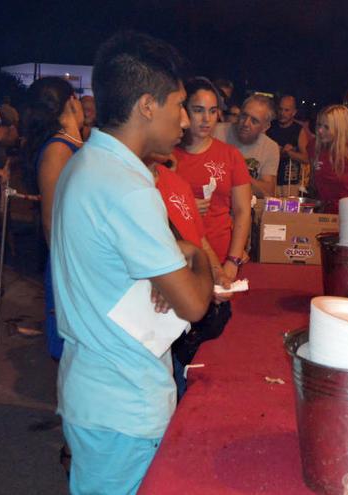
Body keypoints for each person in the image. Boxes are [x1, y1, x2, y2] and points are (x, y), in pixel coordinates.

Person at [50, 31, 213, 494]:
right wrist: (197, 254)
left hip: (95, 388)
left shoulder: (88, 165)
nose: (183, 120)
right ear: (147, 105)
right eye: (179, 105)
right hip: (124, 402)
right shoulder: (126, 187)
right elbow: (194, 303)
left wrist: (172, 268)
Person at [148, 150, 234, 399]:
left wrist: (217, 273)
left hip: (184, 305)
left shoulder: (176, 182)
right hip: (157, 314)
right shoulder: (131, 187)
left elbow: (198, 238)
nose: (183, 124)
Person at [22, 77, 85, 361]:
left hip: (80, 259)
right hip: (69, 263)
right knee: (71, 349)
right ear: (72, 100)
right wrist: (67, 274)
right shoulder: (58, 150)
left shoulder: (74, 144)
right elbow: (51, 220)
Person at [174, 77, 252, 289]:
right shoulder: (167, 156)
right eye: (198, 110)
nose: (206, 119)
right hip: (179, 259)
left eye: (213, 110)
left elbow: (243, 210)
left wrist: (233, 261)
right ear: (183, 111)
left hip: (223, 256)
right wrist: (183, 208)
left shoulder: (230, 155)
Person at [307, 104, 348, 213]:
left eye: (326, 127)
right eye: (319, 125)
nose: (320, 131)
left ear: (340, 129)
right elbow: (314, 180)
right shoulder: (314, 146)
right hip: (324, 211)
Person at [213, 94, 279, 197]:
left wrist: (238, 173)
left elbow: (268, 191)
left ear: (265, 127)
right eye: (244, 116)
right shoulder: (216, 132)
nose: (246, 123)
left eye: (254, 121)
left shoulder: (270, 147)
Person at [267, 94, 312, 195]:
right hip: (270, 180)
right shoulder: (269, 126)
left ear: (294, 112)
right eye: (280, 109)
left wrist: (289, 152)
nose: (282, 113)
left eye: (286, 110)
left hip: (290, 184)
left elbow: (306, 158)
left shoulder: (299, 130)